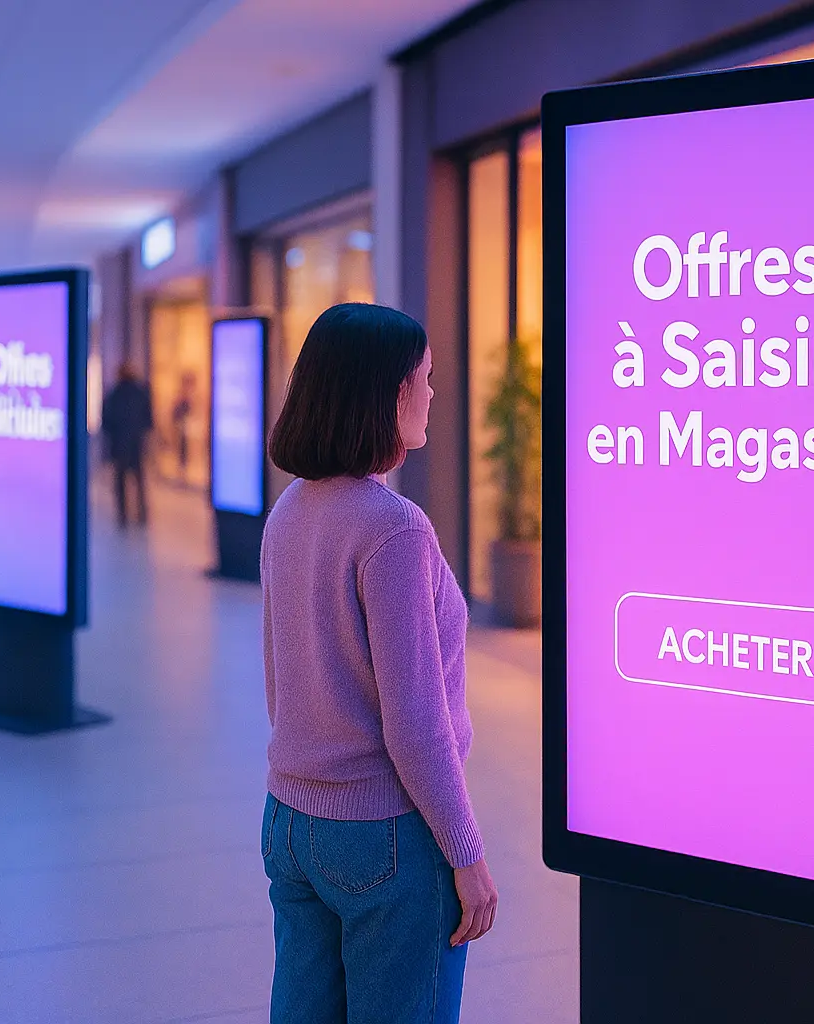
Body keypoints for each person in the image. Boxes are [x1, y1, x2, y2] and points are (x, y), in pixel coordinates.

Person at [260, 303, 496, 1023]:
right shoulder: (393, 530)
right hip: (383, 837)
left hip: (290, 822)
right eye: (424, 379)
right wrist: (467, 856)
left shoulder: (291, 510)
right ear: (392, 393)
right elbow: (416, 727)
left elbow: (283, 681)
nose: (431, 394)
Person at [100, 362, 153, 526]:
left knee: (121, 482)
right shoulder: (140, 393)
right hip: (136, 443)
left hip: (120, 444)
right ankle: (142, 514)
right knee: (138, 480)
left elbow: (106, 421)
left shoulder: (114, 394)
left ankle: (123, 516)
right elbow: (148, 419)